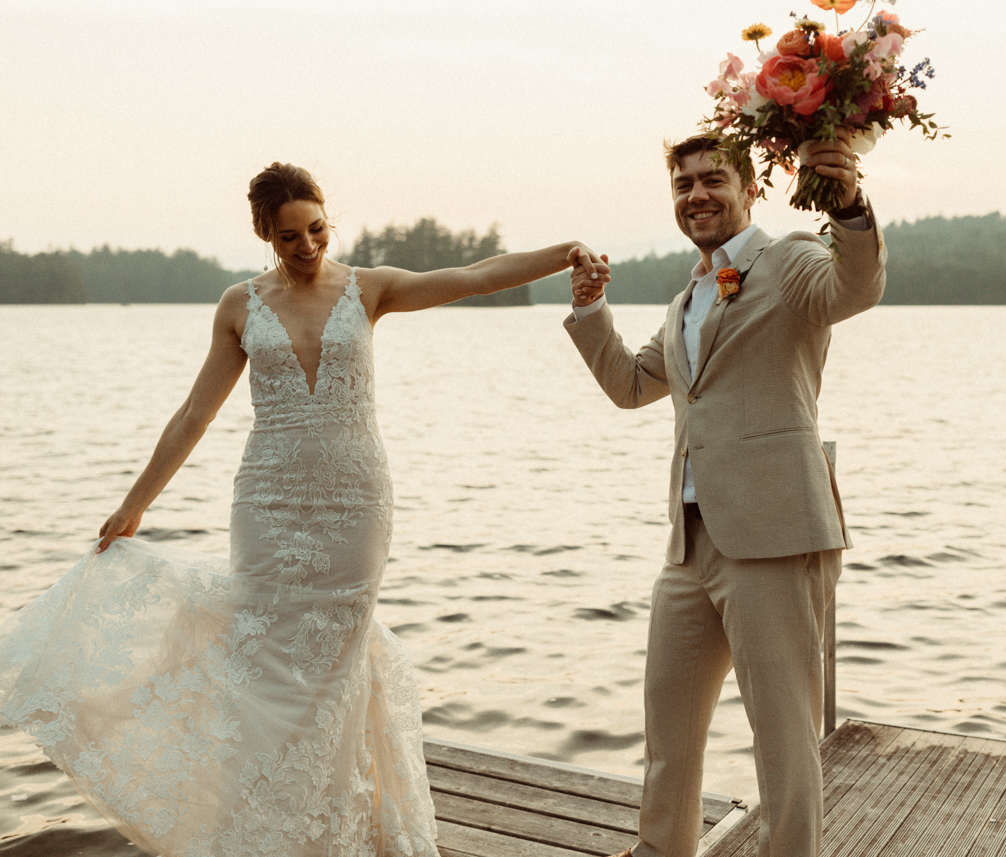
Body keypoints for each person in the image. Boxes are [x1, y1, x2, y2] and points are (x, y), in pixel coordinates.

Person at [0, 162, 609, 857]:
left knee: (333, 665)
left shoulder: (368, 288)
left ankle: (331, 830)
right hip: (266, 500)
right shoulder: (239, 306)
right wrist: (133, 505)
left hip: (355, 503)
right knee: (263, 663)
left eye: (317, 228)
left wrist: (563, 252)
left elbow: (474, 276)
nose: (308, 244)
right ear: (265, 234)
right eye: (289, 236)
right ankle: (265, 829)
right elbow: (195, 415)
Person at [564, 132, 886, 857]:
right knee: (667, 723)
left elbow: (855, 287)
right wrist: (590, 309)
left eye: (714, 179)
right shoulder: (687, 296)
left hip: (775, 534)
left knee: (782, 737)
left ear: (749, 187)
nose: (697, 194)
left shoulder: (794, 260)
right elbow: (630, 385)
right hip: (689, 543)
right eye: (683, 184)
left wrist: (851, 208)